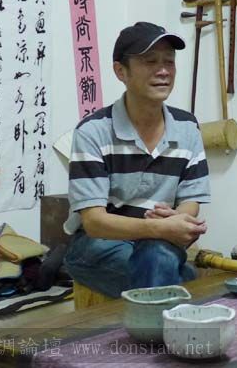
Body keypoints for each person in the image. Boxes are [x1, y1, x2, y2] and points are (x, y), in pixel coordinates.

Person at [63, 21, 211, 298]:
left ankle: (159, 309)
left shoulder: (187, 127)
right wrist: (159, 228)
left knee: (157, 256)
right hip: (98, 244)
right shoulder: (93, 131)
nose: (163, 71)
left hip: (156, 242)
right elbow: (94, 222)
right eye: (150, 61)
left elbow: (191, 201)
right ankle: (179, 289)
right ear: (121, 71)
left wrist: (178, 219)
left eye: (169, 61)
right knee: (168, 267)